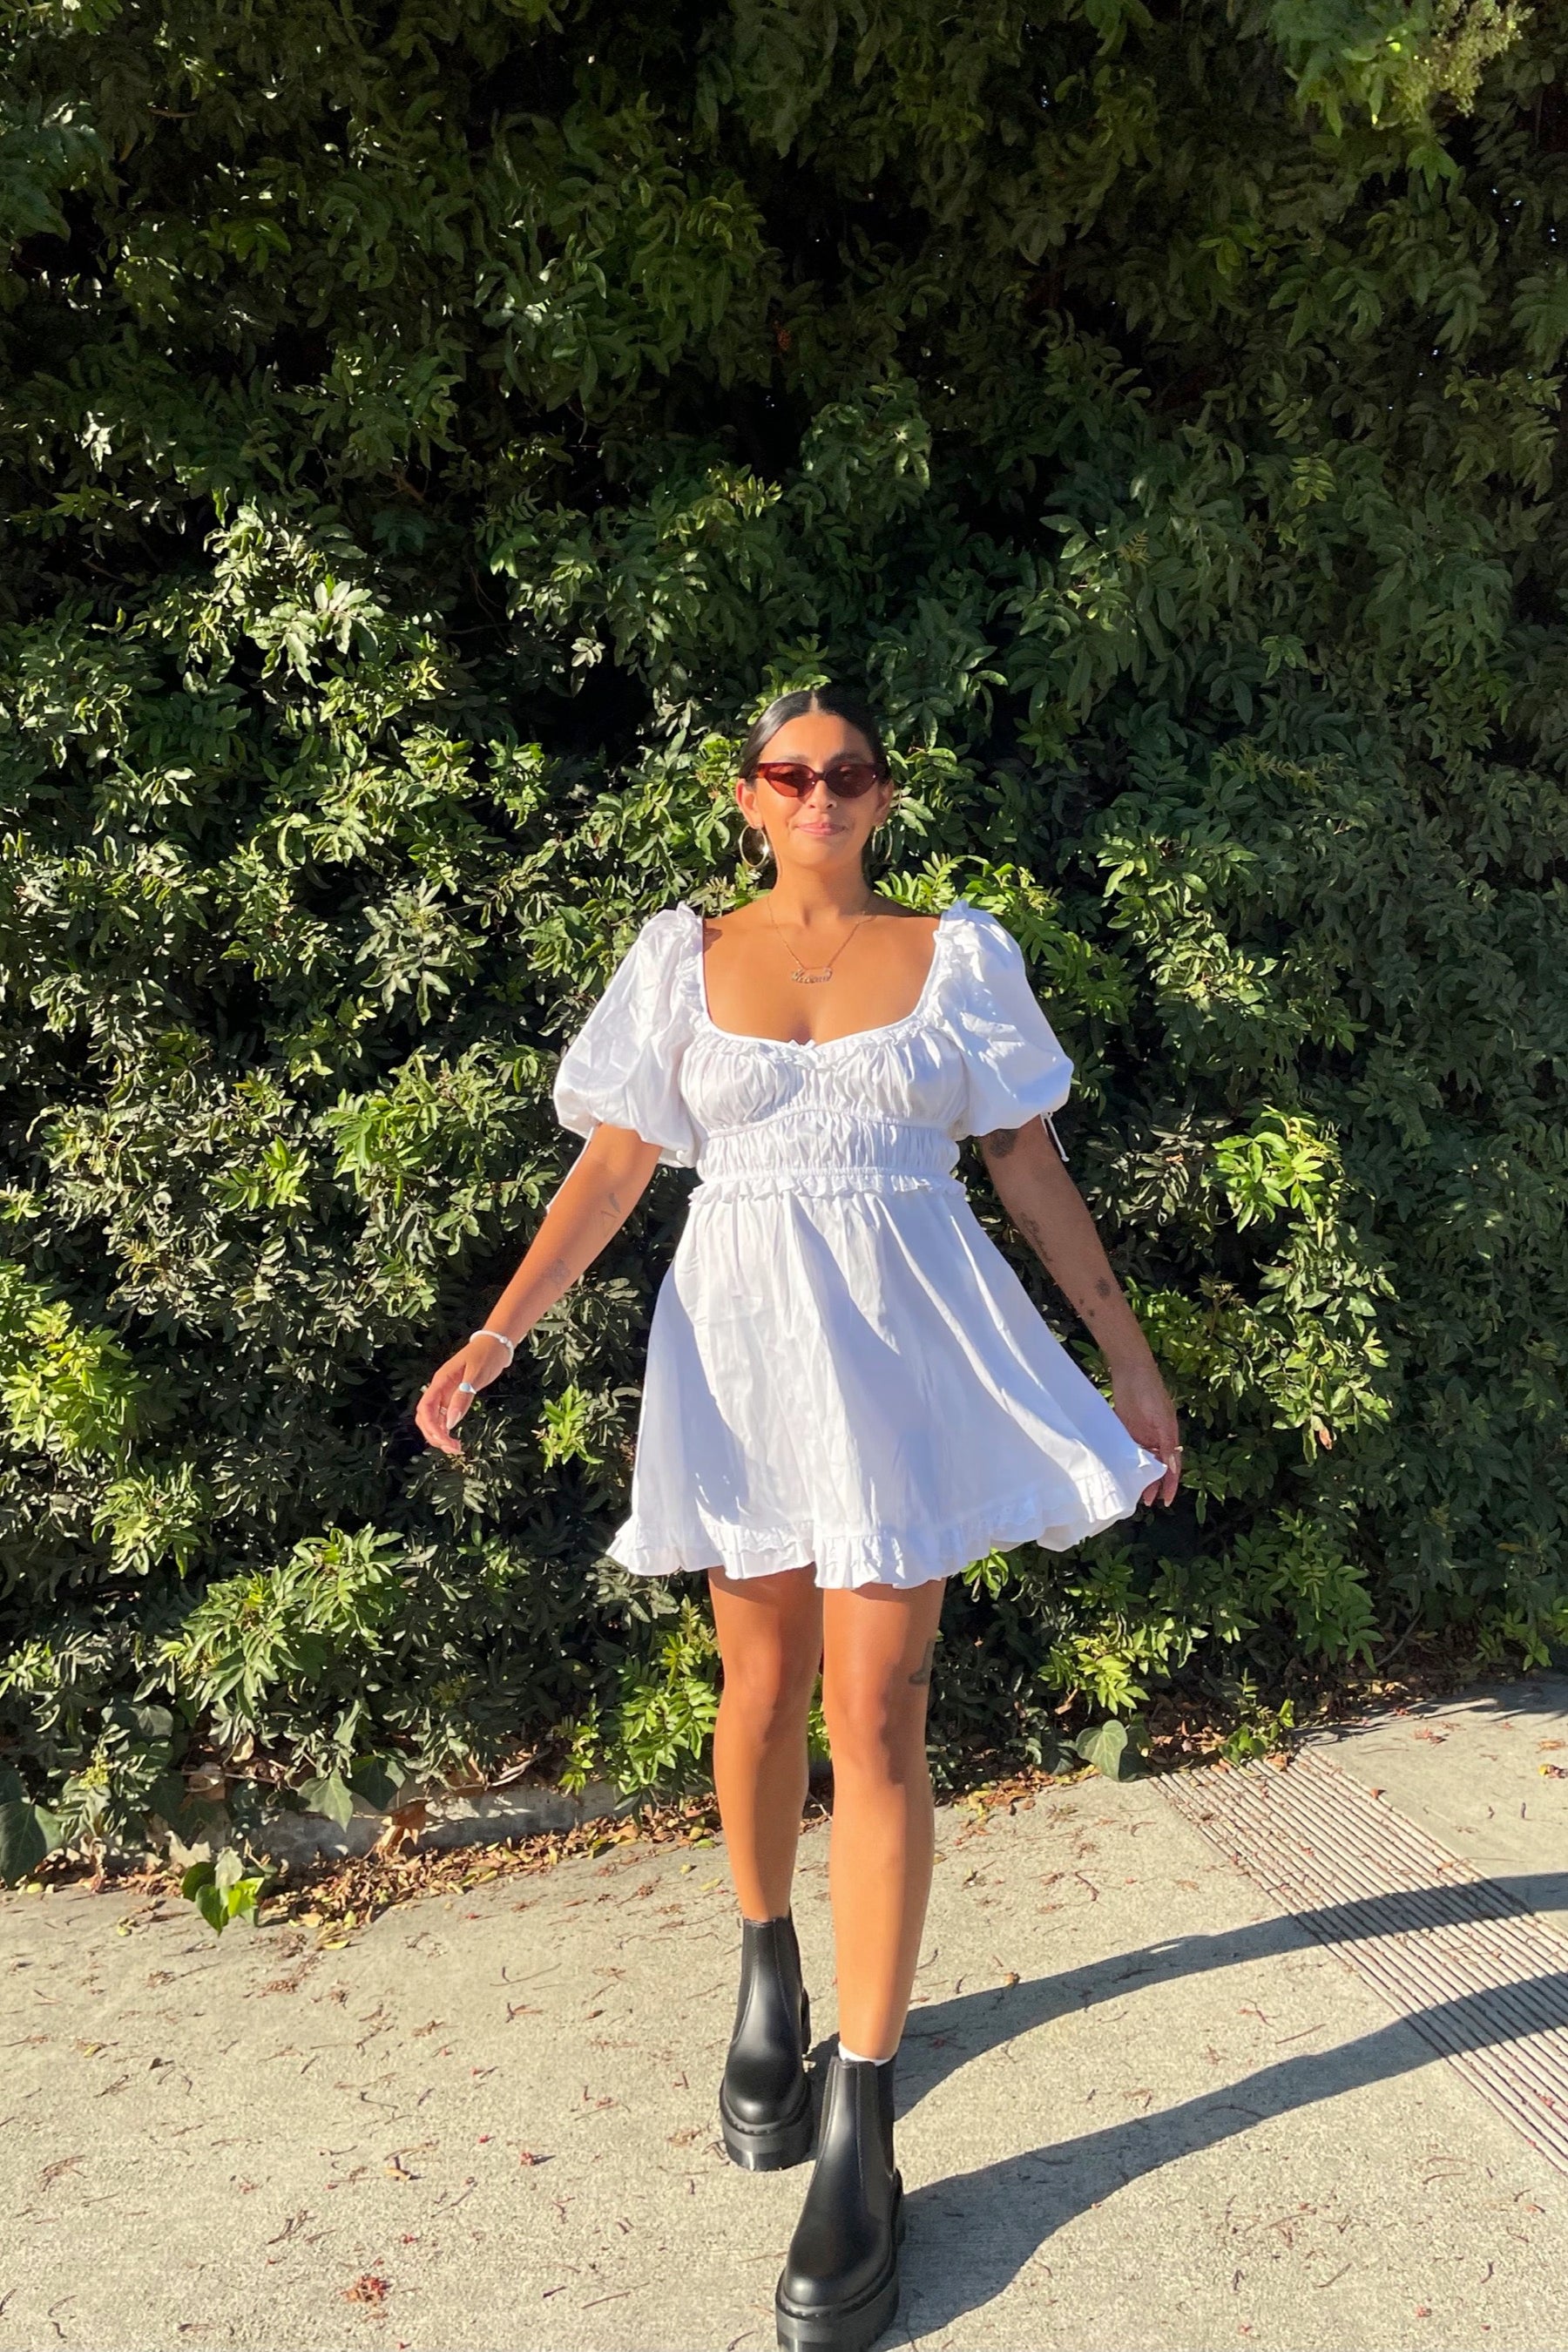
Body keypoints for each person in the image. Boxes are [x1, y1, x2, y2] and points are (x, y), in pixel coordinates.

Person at [416, 686, 1179, 2352]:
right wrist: (497, 1334)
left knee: (880, 1715)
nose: (818, 791)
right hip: (742, 1357)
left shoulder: (958, 955)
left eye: (847, 771)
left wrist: (1127, 1358)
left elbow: (1028, 1163)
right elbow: (616, 1165)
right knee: (759, 1693)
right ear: (748, 797)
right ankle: (768, 1966)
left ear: (882, 795)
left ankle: (863, 2122)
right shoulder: (680, 959)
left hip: (900, 1370)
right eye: (790, 772)